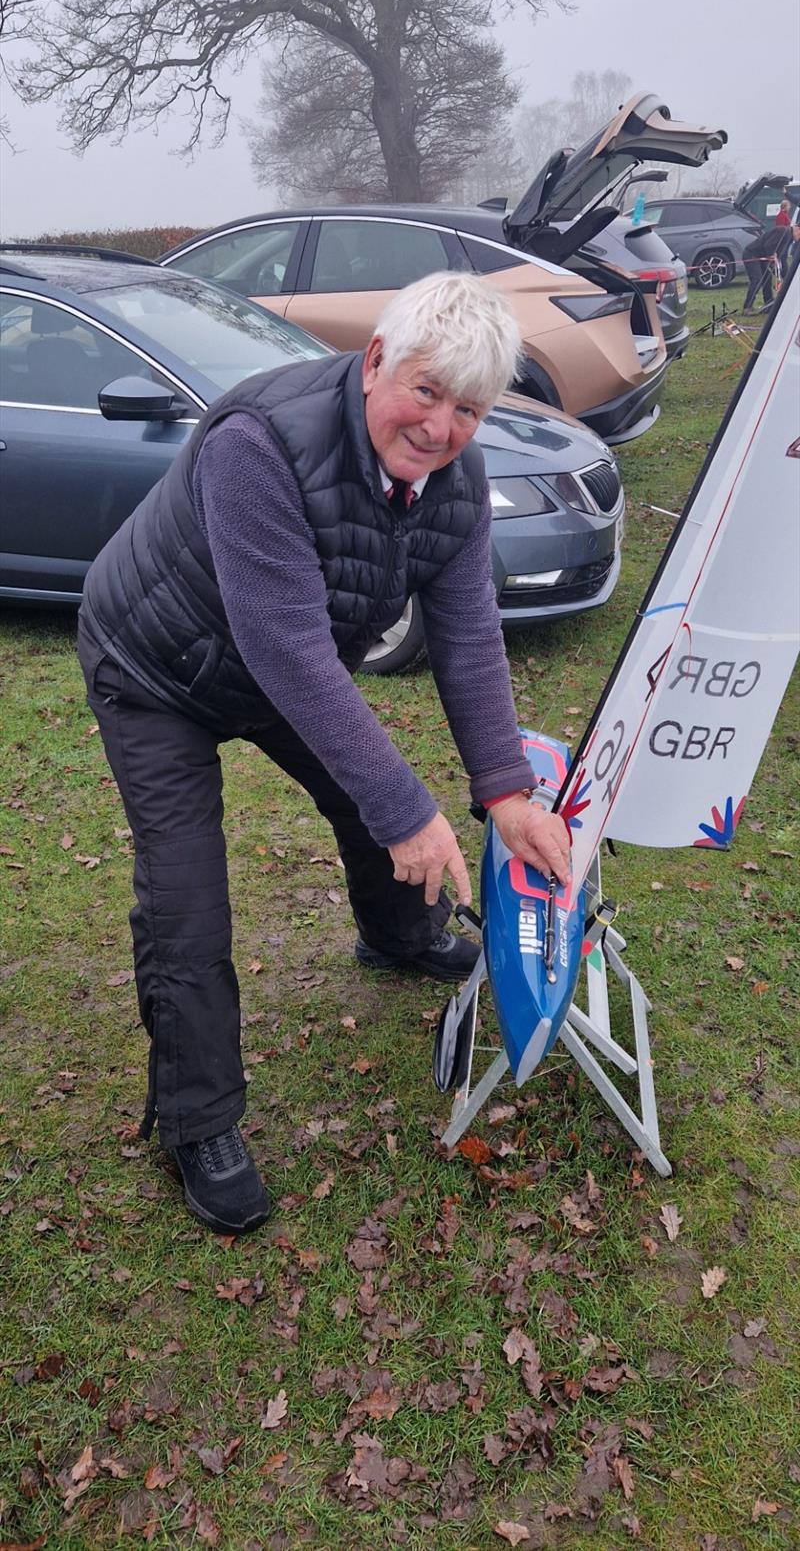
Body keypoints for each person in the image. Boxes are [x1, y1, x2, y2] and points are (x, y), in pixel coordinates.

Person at [77, 272, 572, 1237]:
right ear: (377, 359)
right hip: (154, 665)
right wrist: (407, 809)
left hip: (270, 668)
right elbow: (288, 646)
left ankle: (397, 935)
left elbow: (467, 637)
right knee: (186, 897)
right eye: (425, 393)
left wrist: (506, 791)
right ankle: (198, 1122)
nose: (439, 429)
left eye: (467, 410)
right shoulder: (259, 442)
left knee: (374, 798)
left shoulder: (455, 481)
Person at [742, 223, 791, 312]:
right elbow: (768, 245)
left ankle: (768, 304)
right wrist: (771, 257)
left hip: (762, 257)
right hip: (751, 254)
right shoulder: (783, 231)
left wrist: (786, 277)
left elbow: (783, 258)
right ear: (798, 230)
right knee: (757, 279)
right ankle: (747, 307)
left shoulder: (789, 238)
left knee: (767, 278)